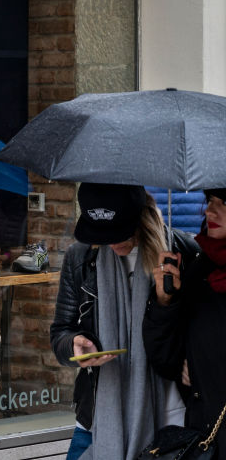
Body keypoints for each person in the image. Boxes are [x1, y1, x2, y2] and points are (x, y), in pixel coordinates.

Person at [50, 182, 192, 460]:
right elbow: (60, 333)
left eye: (118, 233)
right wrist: (74, 346)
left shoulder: (181, 253)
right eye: (101, 235)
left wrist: (167, 302)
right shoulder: (80, 257)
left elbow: (199, 334)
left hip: (170, 416)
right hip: (97, 416)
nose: (111, 242)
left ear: (140, 218)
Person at [144, 188, 226, 460]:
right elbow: (165, 361)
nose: (210, 211)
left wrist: (208, 365)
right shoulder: (200, 270)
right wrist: (165, 301)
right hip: (207, 441)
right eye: (210, 201)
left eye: (223, 203)